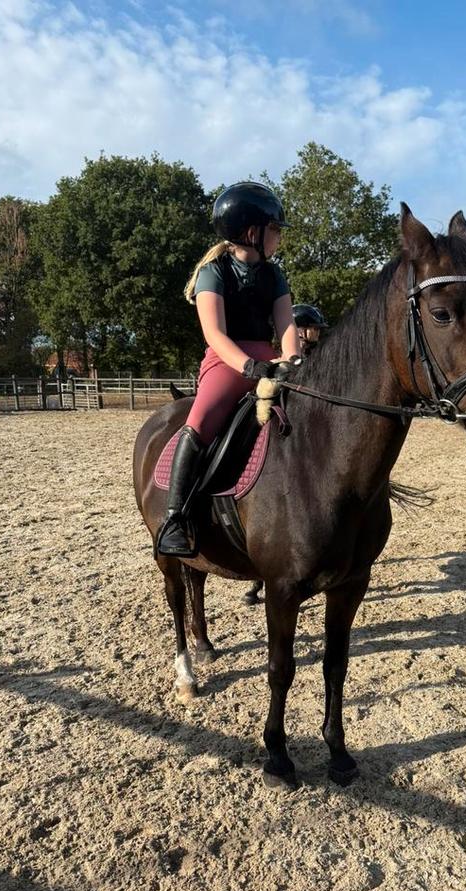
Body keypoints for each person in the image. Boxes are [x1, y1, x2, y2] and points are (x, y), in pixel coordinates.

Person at [156, 182, 302, 557]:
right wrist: (248, 365)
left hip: (268, 360)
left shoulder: (274, 275)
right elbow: (215, 333)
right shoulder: (214, 272)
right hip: (227, 361)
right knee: (201, 419)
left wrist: (290, 360)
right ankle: (175, 519)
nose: (279, 237)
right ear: (252, 232)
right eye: (275, 229)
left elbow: (286, 325)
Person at [242, 301, 329, 605]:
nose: (317, 334)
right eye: (313, 329)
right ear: (299, 331)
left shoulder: (320, 359)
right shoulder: (278, 358)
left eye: (317, 330)